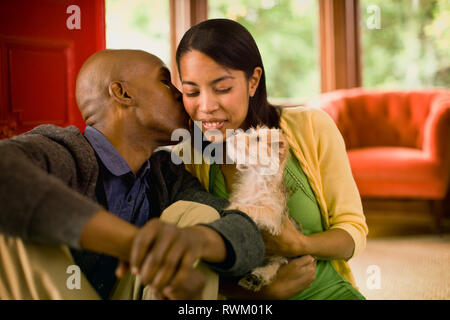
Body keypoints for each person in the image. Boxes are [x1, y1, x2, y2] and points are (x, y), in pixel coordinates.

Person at [0, 49, 264, 300]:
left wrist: (197, 241)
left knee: (199, 216)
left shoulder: (166, 174)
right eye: (165, 81)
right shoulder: (65, 151)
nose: (181, 94)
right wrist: (135, 246)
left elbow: (247, 231)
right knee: (11, 225)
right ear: (122, 93)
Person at [175, 19, 369, 300]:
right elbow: (193, 273)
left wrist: (298, 244)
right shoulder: (188, 156)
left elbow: (353, 230)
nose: (205, 107)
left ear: (253, 81)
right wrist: (265, 294)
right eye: (191, 92)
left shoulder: (311, 127)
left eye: (222, 89)